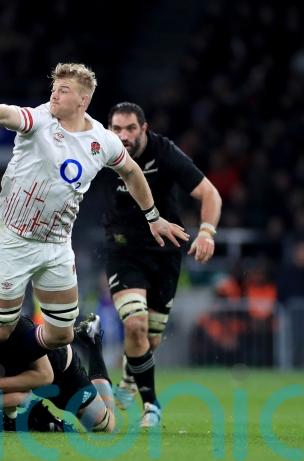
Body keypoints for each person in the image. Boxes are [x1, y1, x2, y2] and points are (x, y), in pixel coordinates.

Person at [0, 63, 189, 364]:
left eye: (63, 90)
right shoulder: (40, 119)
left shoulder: (102, 140)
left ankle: (14, 363)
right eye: (54, 89)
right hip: (14, 242)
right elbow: (5, 113)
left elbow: (132, 172)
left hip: (56, 246)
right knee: (1, 328)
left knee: (62, 334)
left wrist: (153, 217)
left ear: (83, 100)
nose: (54, 95)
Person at [100, 101, 222, 427]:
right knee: (135, 324)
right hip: (123, 250)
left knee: (149, 340)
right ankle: (151, 406)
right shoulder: (100, 148)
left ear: (144, 129)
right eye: (116, 129)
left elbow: (210, 194)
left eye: (130, 129)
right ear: (108, 130)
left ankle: (130, 373)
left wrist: (206, 233)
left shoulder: (164, 152)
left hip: (164, 252)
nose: (123, 136)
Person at [0, 298, 116, 433]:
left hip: (56, 372)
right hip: (9, 375)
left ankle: (93, 343)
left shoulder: (11, 324)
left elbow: (45, 376)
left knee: (103, 425)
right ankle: (28, 417)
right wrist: (15, 399)